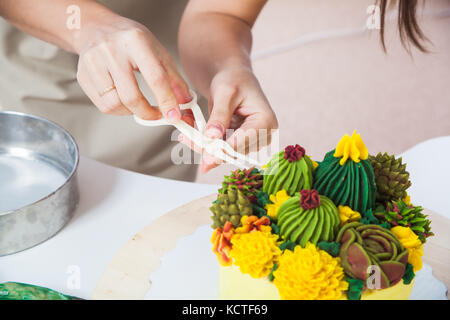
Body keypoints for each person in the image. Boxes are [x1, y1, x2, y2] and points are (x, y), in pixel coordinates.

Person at [0, 0, 427, 180]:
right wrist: (89, 28)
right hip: (40, 52)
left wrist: (228, 68)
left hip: (168, 63)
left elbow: (219, 10)